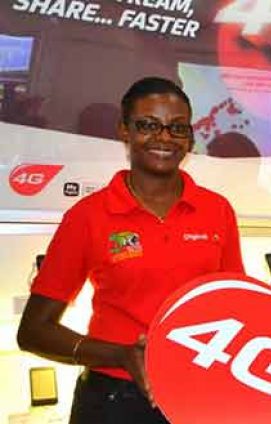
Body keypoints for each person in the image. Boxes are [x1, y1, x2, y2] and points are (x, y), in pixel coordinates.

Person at [16, 77, 245, 423]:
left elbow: (235, 308)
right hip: (112, 401)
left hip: (197, 397)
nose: (164, 138)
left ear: (190, 138)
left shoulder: (217, 210)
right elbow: (34, 331)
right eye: (148, 125)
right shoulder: (89, 216)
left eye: (177, 128)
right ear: (124, 130)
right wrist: (120, 355)